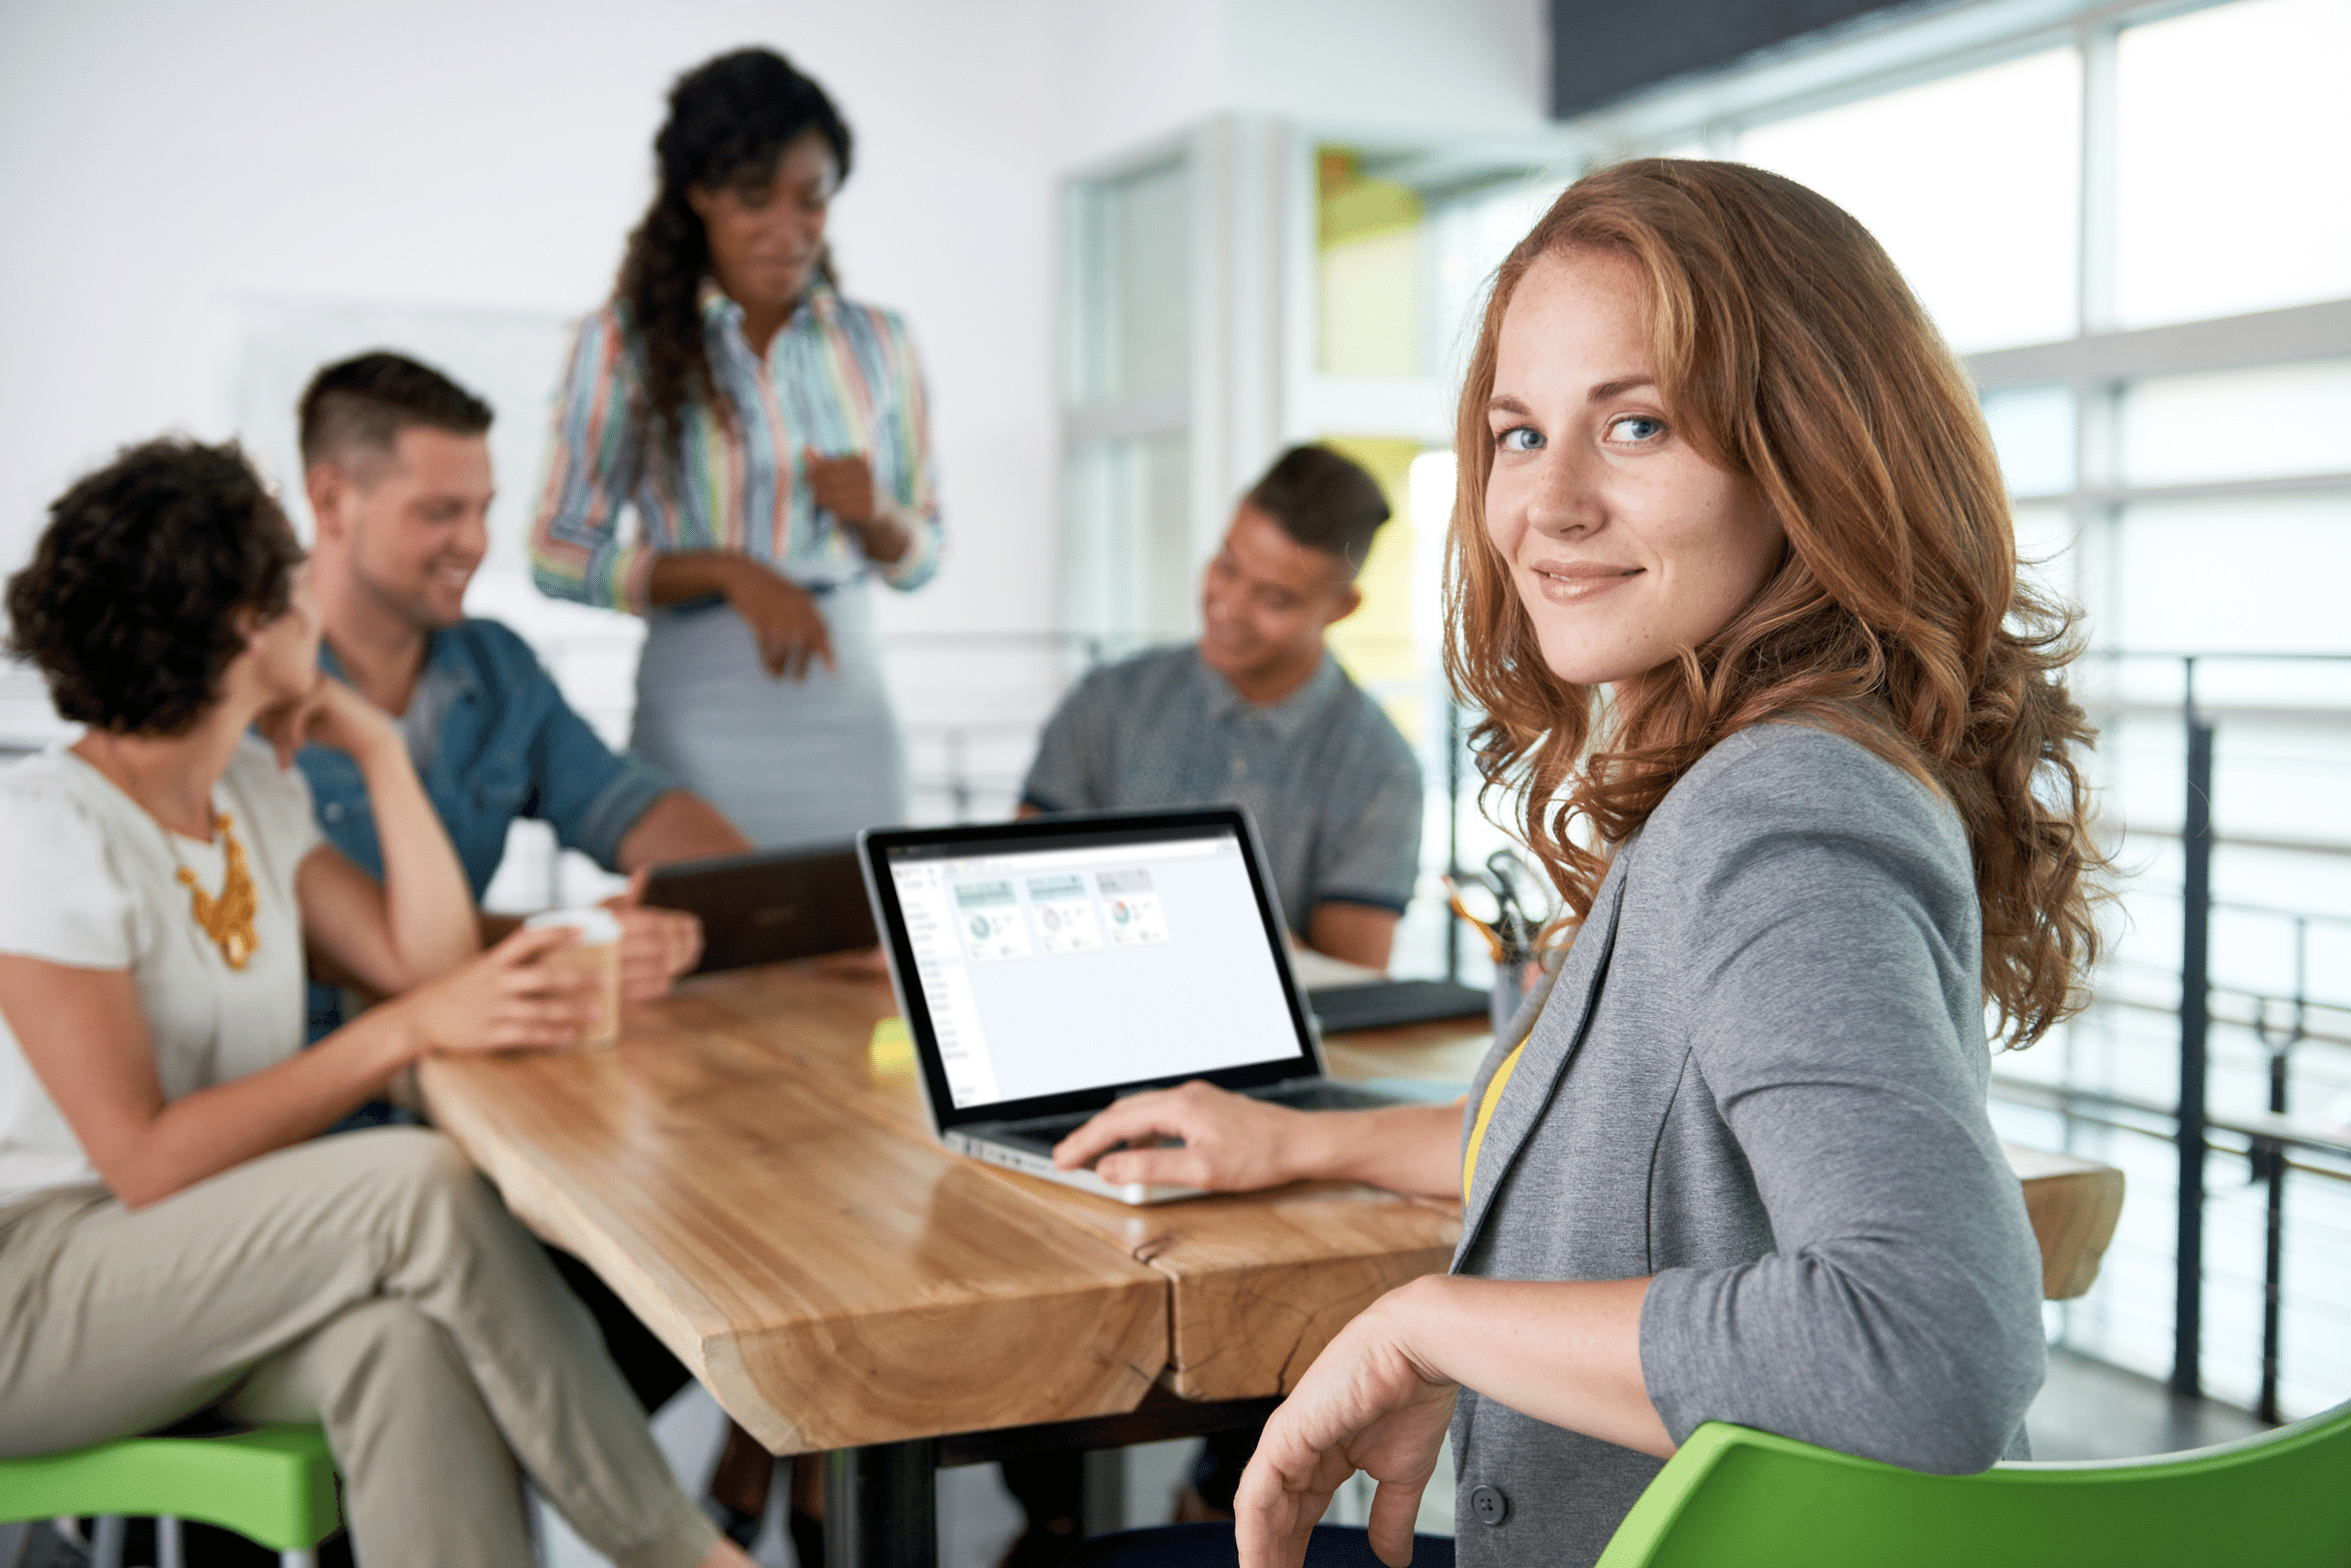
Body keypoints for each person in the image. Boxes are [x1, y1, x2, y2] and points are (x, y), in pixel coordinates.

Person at [1052, 159, 2103, 1568]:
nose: (1544, 502)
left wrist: (1431, 1324)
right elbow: (1600, 1142)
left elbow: (1923, 1345)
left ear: (1812, 451)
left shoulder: (1777, 809)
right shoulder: (1750, 778)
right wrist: (1300, 1141)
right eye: (1515, 431)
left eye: (1634, 423)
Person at [0, 437, 754, 1568]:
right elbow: (145, 1162)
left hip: (190, 1262)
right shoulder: (48, 827)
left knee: (406, 1345)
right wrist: (397, 1034)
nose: (316, 596)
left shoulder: (250, 792)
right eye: (292, 577)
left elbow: (426, 963)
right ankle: (678, 1552)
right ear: (249, 624)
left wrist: (382, 751)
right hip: (40, 1293)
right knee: (423, 1180)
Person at [532, 47, 942, 848]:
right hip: (702, 703)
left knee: (865, 948)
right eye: (756, 200)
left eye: (812, 200)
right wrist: (731, 571)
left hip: (847, 701)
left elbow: (924, 558)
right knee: (709, 942)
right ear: (699, 196)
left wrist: (884, 518)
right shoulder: (619, 344)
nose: (789, 232)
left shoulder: (879, 344)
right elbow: (554, 551)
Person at [297, 351, 750, 1033]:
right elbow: (351, 944)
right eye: (439, 512)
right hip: (321, 1090)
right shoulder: (247, 682)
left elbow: (624, 801)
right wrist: (579, 942)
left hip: (473, 1066)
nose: (475, 542)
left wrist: (759, 895)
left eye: (482, 510)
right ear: (332, 500)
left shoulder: (495, 665)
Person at [1021, 444, 1421, 971]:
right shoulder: (1108, 701)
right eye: (1226, 566)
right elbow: (1024, 890)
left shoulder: (1380, 767)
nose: (1228, 607)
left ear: (1341, 609)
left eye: (1274, 599)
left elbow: (1350, 986)